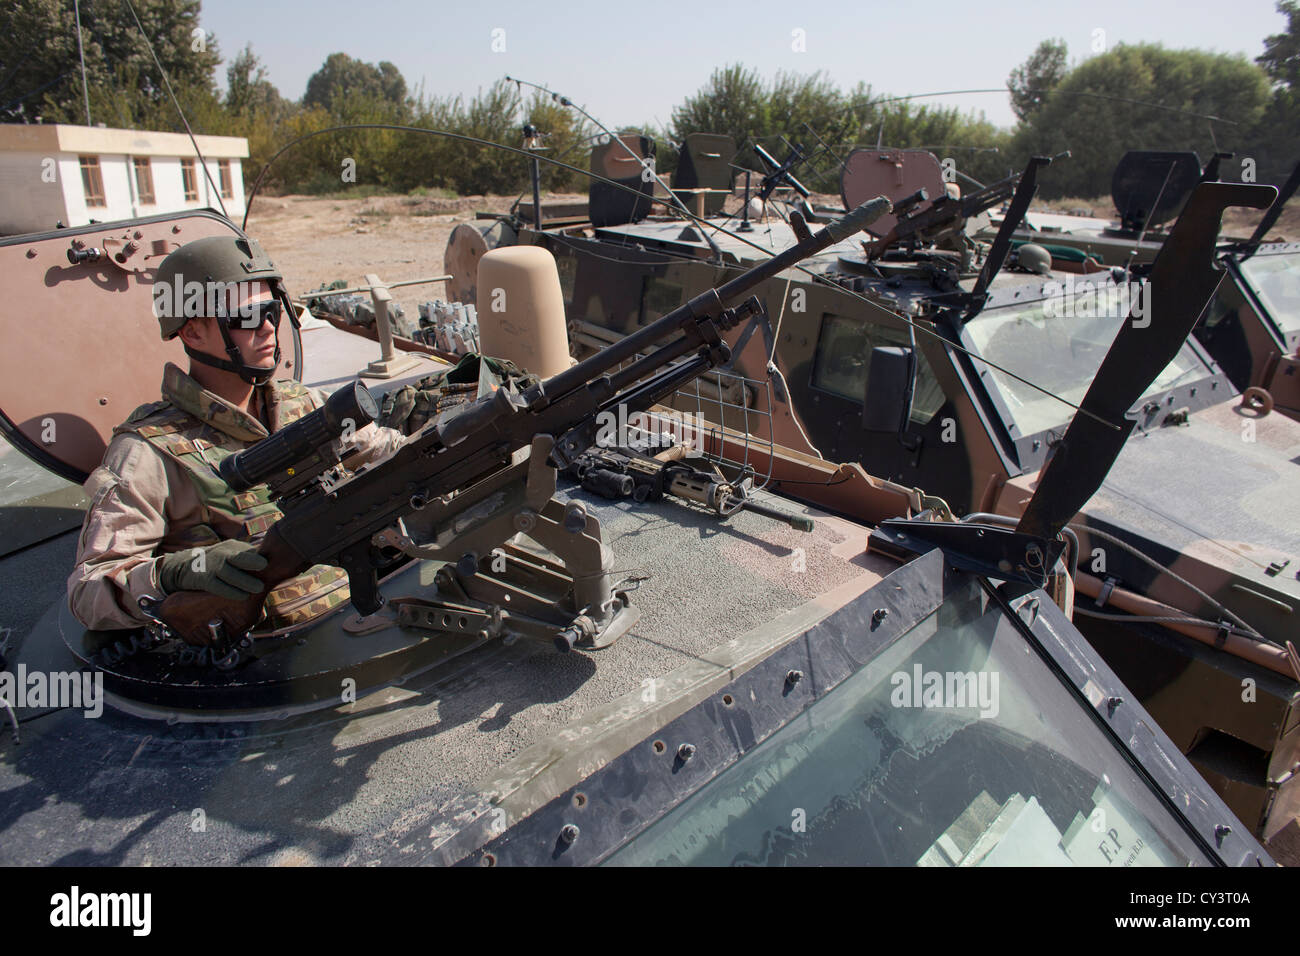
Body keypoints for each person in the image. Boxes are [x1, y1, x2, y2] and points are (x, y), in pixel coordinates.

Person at [67, 236, 406, 633]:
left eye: (271, 310)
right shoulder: (147, 452)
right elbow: (88, 595)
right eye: (245, 318)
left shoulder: (306, 405)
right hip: (273, 658)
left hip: (359, 621)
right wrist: (175, 573)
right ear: (192, 333)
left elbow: (392, 452)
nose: (266, 328)